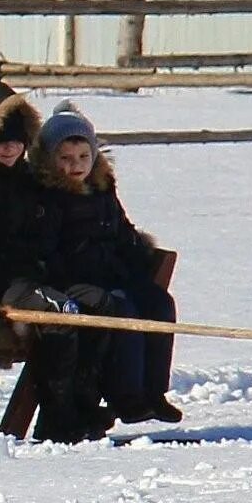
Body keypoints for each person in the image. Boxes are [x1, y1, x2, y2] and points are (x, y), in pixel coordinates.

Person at [0, 79, 104, 442]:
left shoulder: (29, 179)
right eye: (0, 141)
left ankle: (83, 406)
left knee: (96, 308)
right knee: (61, 314)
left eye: (17, 139)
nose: (10, 148)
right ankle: (59, 418)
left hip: (33, 277)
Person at [31, 101, 182, 425]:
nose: (76, 166)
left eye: (84, 157)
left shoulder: (102, 187)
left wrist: (136, 255)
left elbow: (122, 231)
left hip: (109, 272)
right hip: (71, 281)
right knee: (121, 308)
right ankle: (125, 396)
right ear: (50, 158)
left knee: (158, 303)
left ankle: (153, 391)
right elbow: (46, 249)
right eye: (66, 159)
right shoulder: (47, 195)